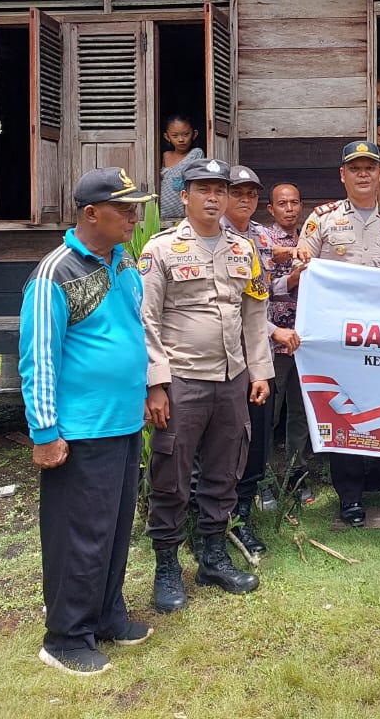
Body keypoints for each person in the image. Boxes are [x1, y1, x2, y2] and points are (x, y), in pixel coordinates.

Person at [19, 167, 155, 676]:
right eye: (125, 209)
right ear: (91, 214)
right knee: (78, 536)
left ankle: (106, 615)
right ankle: (66, 637)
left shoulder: (124, 262)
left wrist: (146, 391)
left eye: (137, 209)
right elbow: (39, 356)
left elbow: (133, 331)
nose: (135, 218)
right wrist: (45, 433)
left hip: (122, 422)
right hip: (81, 431)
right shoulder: (55, 273)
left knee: (114, 530)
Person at [141, 157, 274, 614]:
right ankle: (167, 567)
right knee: (171, 476)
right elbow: (146, 320)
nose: (214, 198)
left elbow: (255, 312)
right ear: (185, 196)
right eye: (204, 190)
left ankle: (213, 559)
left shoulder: (244, 249)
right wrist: (156, 384)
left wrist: (260, 371)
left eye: (221, 190)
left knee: (224, 472)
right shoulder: (161, 250)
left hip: (232, 380)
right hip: (182, 379)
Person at [295, 140, 380, 527]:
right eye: (355, 168)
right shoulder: (322, 220)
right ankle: (350, 496)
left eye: (370, 167)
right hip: (339, 340)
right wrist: (303, 264)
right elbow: (303, 270)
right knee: (344, 413)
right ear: (343, 175)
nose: (363, 174)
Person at [222, 164, 302, 554]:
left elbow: (263, 292)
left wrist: (296, 279)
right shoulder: (212, 235)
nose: (245, 200)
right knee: (224, 441)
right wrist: (275, 331)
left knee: (257, 439)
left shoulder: (261, 237)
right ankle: (213, 522)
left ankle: (243, 518)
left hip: (259, 358)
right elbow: (232, 304)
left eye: (251, 194)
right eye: (237, 193)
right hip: (223, 358)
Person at [263, 181, 314, 505]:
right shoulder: (262, 240)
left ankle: (297, 474)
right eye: (282, 203)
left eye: (294, 202)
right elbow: (258, 288)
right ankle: (263, 479)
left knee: (301, 412)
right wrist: (291, 280)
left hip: (307, 342)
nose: (289, 208)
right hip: (275, 341)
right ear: (271, 209)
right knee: (269, 414)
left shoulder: (311, 239)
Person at [159, 114, 205, 224]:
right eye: (175, 136)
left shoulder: (196, 154)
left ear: (194, 134)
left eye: (186, 134)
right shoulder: (165, 155)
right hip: (163, 211)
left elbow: (195, 181)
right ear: (167, 136)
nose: (181, 139)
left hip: (184, 213)